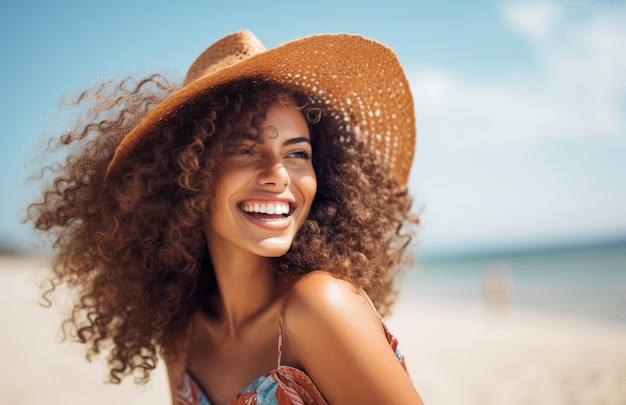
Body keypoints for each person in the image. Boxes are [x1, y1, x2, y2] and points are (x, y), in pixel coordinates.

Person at [27, 30, 423, 404]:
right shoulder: (181, 335)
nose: (279, 173)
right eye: (245, 148)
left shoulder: (321, 306)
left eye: (297, 153)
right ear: (186, 173)